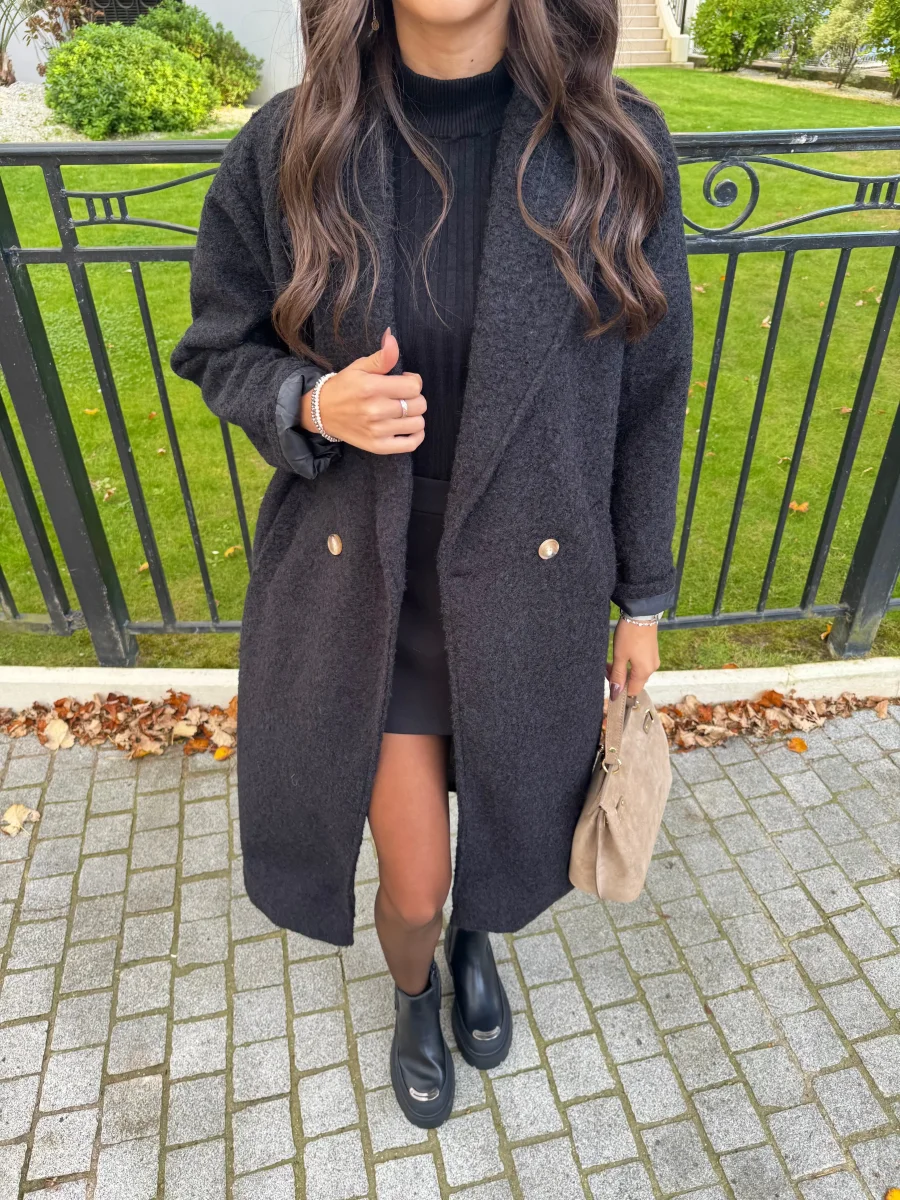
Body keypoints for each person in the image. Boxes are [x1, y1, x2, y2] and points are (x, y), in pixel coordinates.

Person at [170, 0, 692, 1129]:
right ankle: (417, 987)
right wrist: (312, 402)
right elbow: (218, 346)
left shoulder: (613, 142)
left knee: (508, 824)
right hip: (370, 583)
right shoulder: (293, 142)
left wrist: (643, 599)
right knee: (414, 883)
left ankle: (475, 941)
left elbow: (651, 395)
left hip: (532, 580)